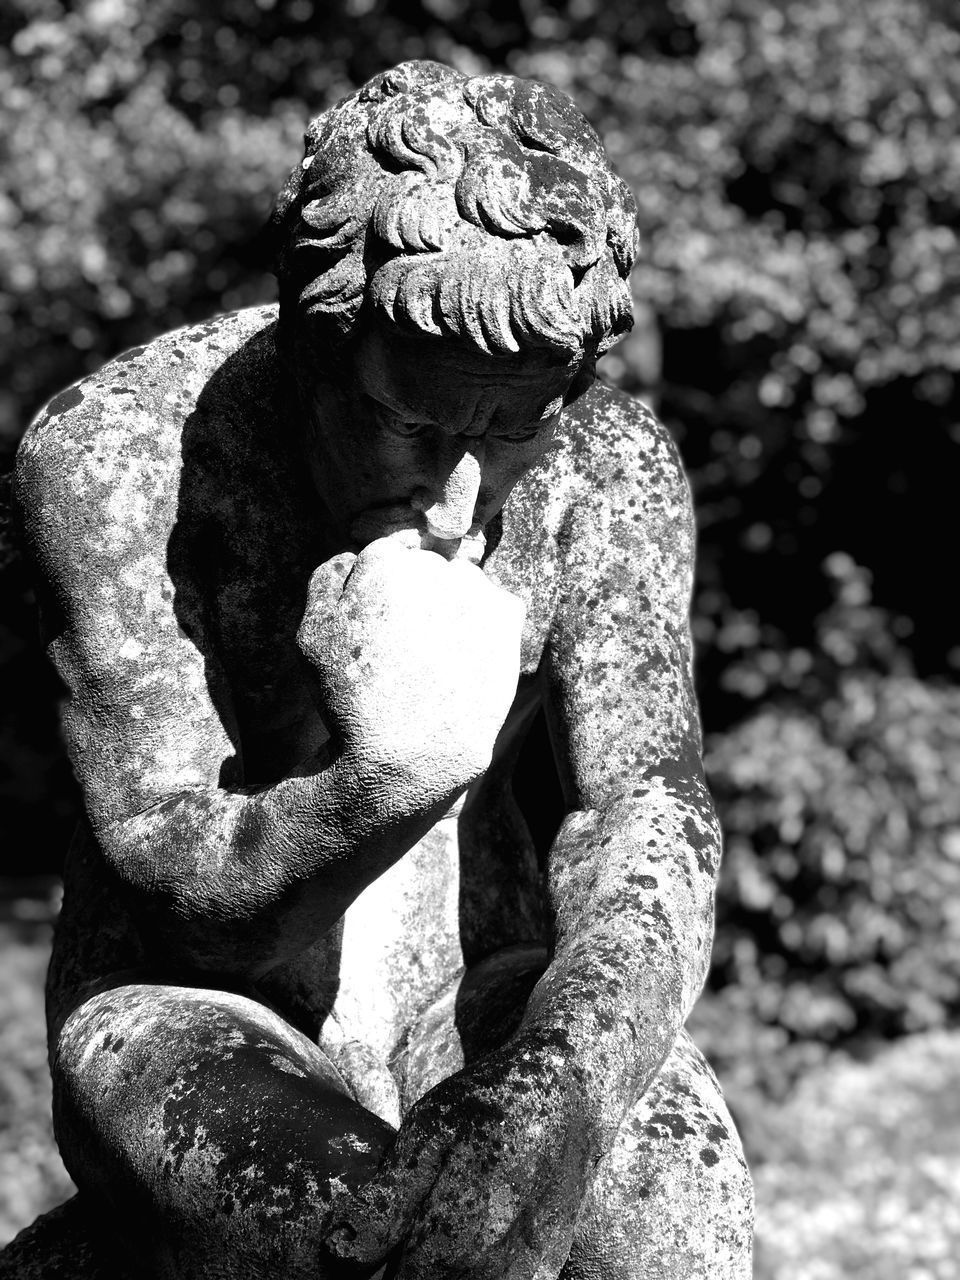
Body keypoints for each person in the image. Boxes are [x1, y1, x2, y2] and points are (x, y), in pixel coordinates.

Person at [12, 59, 752, 1280]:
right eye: (412, 424)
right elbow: (173, 884)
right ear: (315, 349)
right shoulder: (122, 457)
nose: (460, 495)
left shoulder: (608, 464)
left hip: (489, 992)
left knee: (672, 1219)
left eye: (511, 429)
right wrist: (393, 771)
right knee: (346, 1240)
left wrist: (557, 1084)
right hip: (199, 1011)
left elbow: (645, 807)